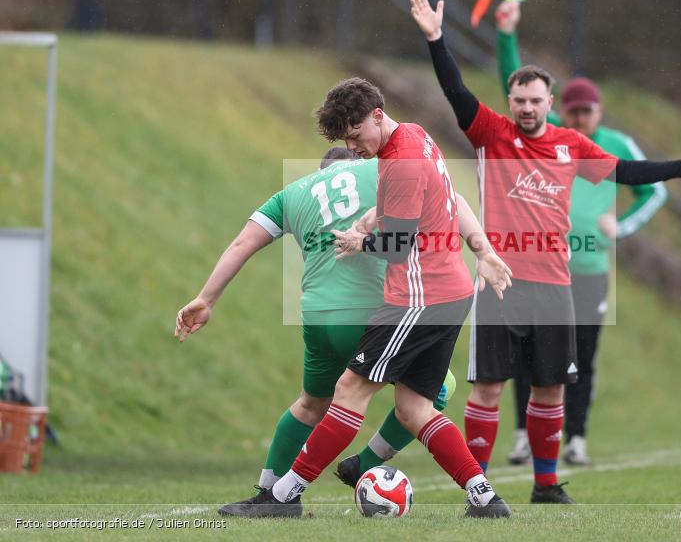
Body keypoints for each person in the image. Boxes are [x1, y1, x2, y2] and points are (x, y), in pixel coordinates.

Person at [409, 0, 681, 504]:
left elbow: (626, 172)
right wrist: (435, 38)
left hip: (556, 285)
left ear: (550, 104)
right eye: (520, 100)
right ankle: (479, 488)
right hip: (500, 281)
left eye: (537, 101)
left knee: (551, 388)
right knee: (488, 388)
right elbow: (455, 90)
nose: (528, 108)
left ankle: (546, 484)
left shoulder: (571, 145)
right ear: (510, 101)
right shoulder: (491, 133)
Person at [240, 77, 514, 518]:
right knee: (414, 408)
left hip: (418, 298)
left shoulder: (400, 159)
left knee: (349, 389)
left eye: (355, 134)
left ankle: (282, 496)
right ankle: (484, 498)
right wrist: (369, 224)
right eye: (345, 140)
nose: (354, 146)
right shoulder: (415, 137)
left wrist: (358, 243)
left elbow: (400, 246)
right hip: (450, 290)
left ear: (377, 116)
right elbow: (410, 203)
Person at [173, 147, 477, 517]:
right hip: (372, 316)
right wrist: (483, 248)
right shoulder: (379, 169)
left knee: (310, 403)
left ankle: (269, 491)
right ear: (355, 160)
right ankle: (365, 463)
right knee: (437, 390)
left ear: (322, 171)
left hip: (319, 318)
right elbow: (451, 199)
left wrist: (206, 299)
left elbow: (243, 243)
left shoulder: (292, 192)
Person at [494, 1, 668, 466]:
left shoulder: (612, 145)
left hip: (589, 265)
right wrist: (507, 34)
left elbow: (652, 191)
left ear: (599, 111)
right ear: (560, 110)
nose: (579, 118)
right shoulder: (553, 135)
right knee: (527, 358)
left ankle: (576, 438)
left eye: (586, 111)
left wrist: (622, 226)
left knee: (581, 357)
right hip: (541, 264)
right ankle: (524, 436)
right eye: (571, 111)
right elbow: (515, 84)